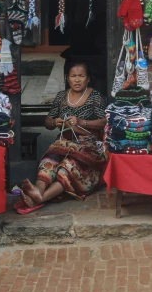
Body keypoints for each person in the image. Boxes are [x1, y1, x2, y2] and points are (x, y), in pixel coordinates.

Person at [18, 61, 108, 214]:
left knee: (67, 167)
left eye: (81, 76)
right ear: (67, 78)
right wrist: (54, 122)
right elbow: (47, 122)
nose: (77, 80)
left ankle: (41, 197)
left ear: (88, 79)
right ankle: (38, 189)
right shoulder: (61, 96)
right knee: (49, 161)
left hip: (88, 145)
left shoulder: (95, 96)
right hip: (63, 142)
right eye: (73, 76)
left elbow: (104, 122)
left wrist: (82, 122)